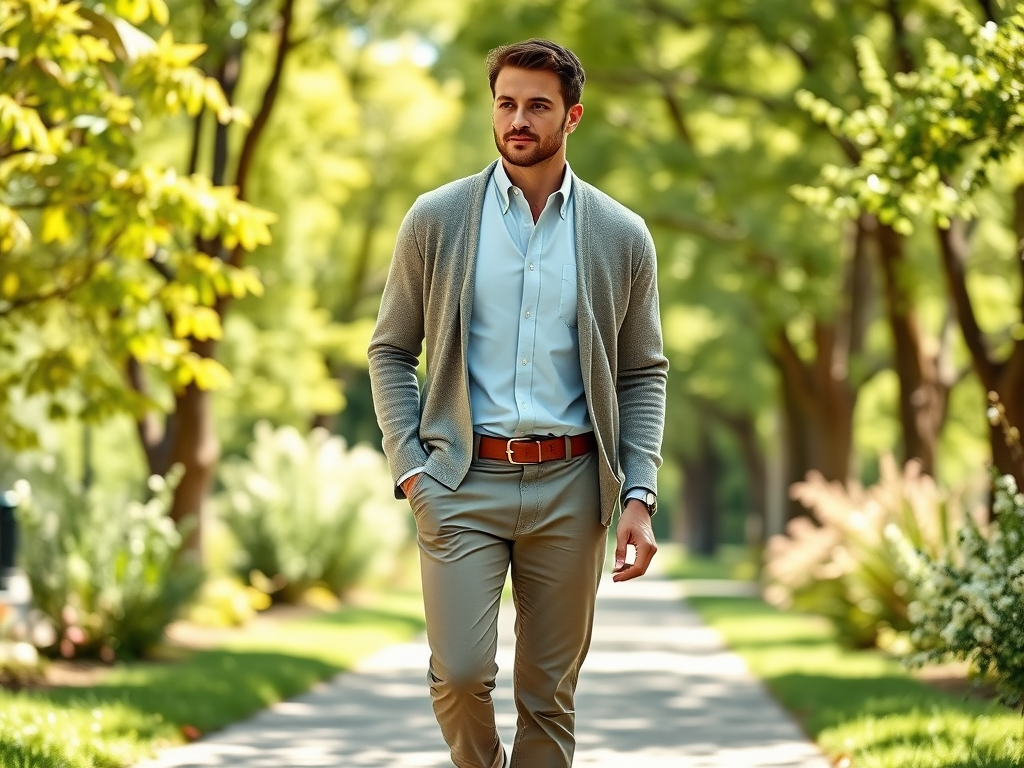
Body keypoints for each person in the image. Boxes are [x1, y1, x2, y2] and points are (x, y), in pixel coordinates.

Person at [368, 38, 667, 768]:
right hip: (461, 483)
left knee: (548, 698)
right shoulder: (437, 220)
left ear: (573, 117)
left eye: (538, 105)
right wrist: (413, 469)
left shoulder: (620, 235)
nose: (518, 120)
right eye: (506, 103)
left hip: (571, 486)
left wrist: (638, 493)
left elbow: (643, 373)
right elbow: (389, 350)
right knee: (462, 675)